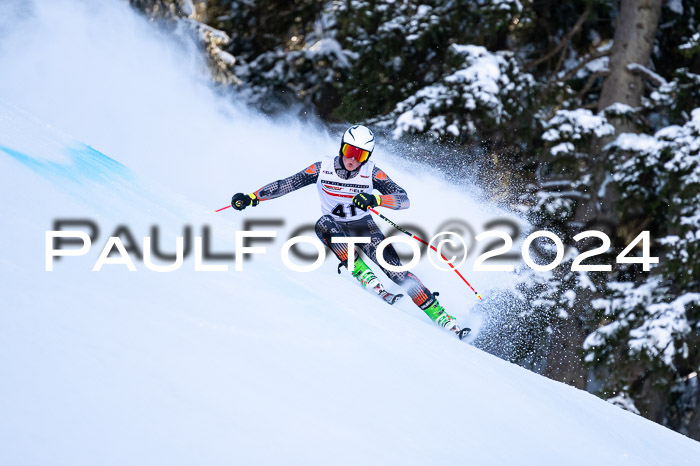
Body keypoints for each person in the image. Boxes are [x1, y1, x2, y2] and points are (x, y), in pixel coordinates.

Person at [231, 124, 463, 336]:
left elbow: (404, 199)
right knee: (323, 223)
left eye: (360, 155)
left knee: (397, 273)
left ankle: (440, 315)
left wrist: (375, 199)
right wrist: (253, 197)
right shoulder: (322, 168)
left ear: (367, 156)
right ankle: (360, 270)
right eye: (349, 151)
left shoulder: (372, 172)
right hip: (334, 226)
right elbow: (287, 184)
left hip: (365, 227)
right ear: (342, 147)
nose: (353, 159)